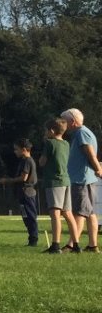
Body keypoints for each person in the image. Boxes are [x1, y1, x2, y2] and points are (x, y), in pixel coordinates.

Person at [61, 108, 102, 252]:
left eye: (65, 121)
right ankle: (92, 245)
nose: (63, 124)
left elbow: (90, 153)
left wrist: (98, 169)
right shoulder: (83, 132)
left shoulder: (81, 133)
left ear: (72, 121)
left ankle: (72, 244)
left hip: (81, 179)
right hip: (86, 178)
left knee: (79, 212)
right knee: (90, 213)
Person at [38, 118, 78, 254]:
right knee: (68, 213)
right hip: (66, 180)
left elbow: (42, 162)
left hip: (54, 181)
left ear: (51, 131)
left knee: (55, 213)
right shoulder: (66, 143)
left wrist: (44, 146)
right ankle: (76, 244)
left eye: (46, 131)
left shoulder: (49, 143)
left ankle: (55, 245)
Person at [0, 138, 38, 247]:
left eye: (16, 149)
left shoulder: (27, 161)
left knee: (30, 216)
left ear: (24, 149)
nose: (15, 151)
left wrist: (7, 181)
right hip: (22, 192)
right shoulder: (24, 160)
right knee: (25, 216)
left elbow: (23, 178)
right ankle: (31, 238)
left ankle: (33, 239)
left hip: (27, 192)